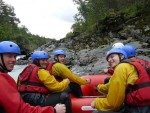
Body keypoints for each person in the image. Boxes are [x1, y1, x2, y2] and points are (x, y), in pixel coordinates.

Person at [0, 41, 66, 113]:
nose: (13, 60)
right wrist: (53, 110)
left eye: (15, 57)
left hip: (25, 98)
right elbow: (20, 110)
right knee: (65, 96)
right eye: (9, 56)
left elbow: (19, 84)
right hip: (34, 99)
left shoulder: (26, 69)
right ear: (37, 61)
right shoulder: (2, 80)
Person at [91, 47, 150, 113]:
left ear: (121, 56)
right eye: (108, 59)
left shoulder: (121, 67)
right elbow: (111, 85)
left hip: (137, 108)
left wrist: (96, 102)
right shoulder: (140, 63)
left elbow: (113, 104)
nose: (109, 60)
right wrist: (99, 87)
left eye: (112, 56)